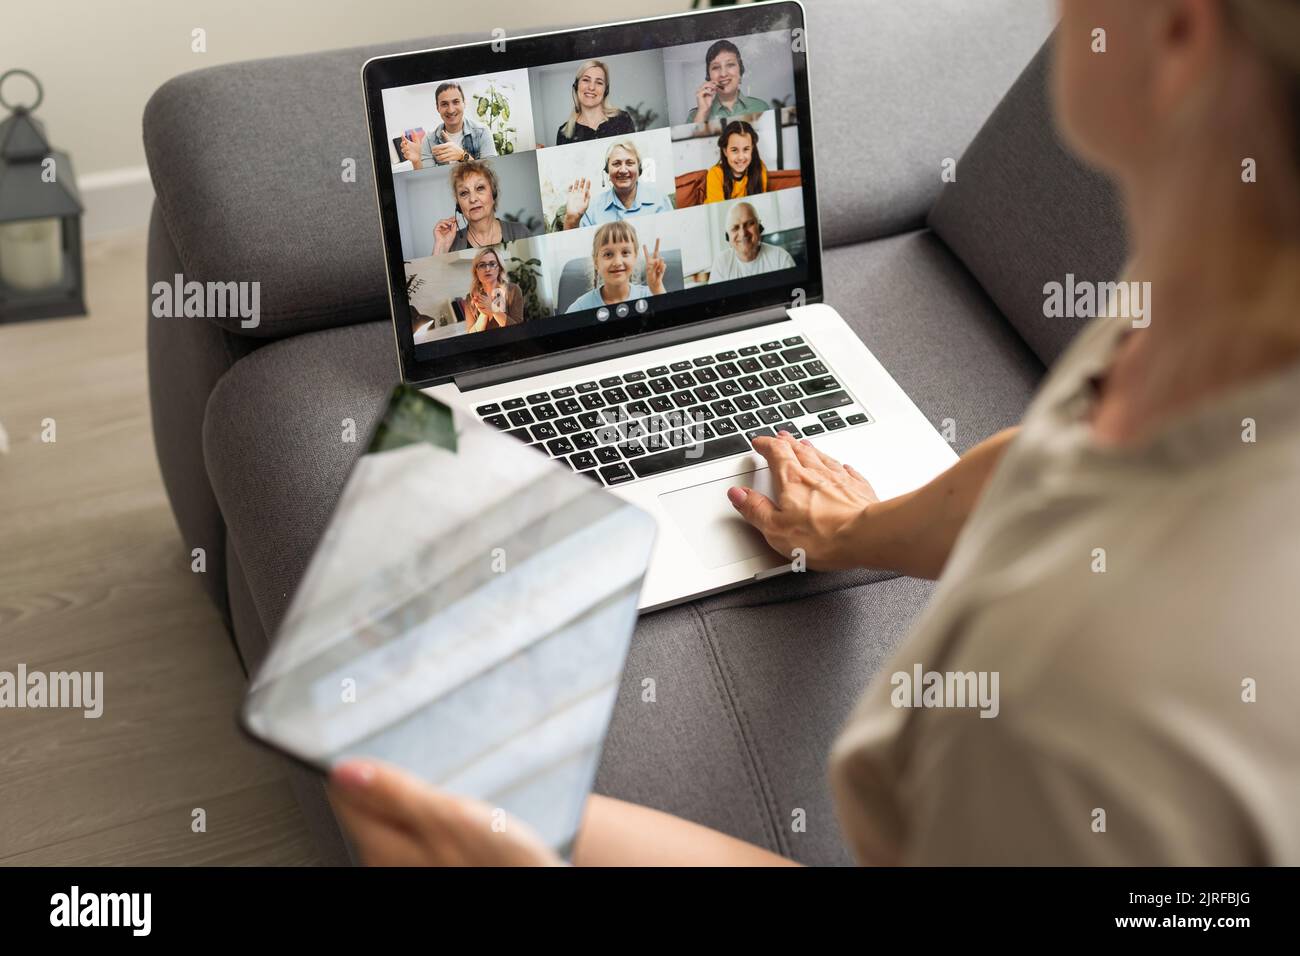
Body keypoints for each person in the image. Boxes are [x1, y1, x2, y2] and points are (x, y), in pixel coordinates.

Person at [331, 0, 1300, 865]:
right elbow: (1062, 463)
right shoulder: (1212, 289)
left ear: (1179, 33)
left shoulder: (1075, 720)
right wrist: (854, 529)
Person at [560, 140, 673, 229]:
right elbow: (580, 248)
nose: (623, 170)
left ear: (639, 170)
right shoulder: (592, 208)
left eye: (629, 163)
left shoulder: (660, 200)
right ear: (607, 171)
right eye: (616, 164)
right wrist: (571, 220)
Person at [431, 160, 531, 254]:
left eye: (480, 188)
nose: (473, 199)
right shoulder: (451, 243)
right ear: (458, 205)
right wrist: (441, 246)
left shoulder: (520, 232)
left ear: (493, 194)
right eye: (464, 193)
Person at [564, 222, 667, 313]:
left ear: (635, 257)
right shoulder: (580, 307)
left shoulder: (651, 294)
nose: (617, 262)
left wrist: (657, 287)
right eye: (608, 254)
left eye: (625, 252)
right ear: (596, 262)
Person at [400, 82, 498, 169]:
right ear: (437, 108)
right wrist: (417, 161)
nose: (451, 110)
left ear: (464, 103)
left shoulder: (482, 132)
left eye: (456, 102)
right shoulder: (429, 140)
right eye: (444, 104)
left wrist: (462, 156)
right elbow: (429, 180)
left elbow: (489, 173)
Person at [687, 39, 771, 123]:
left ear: (740, 70)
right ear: (709, 75)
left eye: (730, 65)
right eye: (716, 67)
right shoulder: (695, 116)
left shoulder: (761, 107)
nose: (723, 74)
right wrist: (702, 113)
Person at [709, 201, 794, 282]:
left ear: (759, 227)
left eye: (749, 224)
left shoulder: (781, 258)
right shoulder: (721, 264)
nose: (743, 233)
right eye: (735, 228)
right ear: (728, 237)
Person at [556, 60, 636, 145]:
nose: (591, 87)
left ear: (606, 90)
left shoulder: (623, 119)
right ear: (576, 86)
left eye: (599, 82)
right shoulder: (563, 132)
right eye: (586, 80)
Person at [705, 120, 769, 203]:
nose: (741, 157)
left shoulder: (759, 168)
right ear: (725, 151)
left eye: (746, 149)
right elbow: (718, 212)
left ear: (752, 149)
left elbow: (761, 203)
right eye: (734, 150)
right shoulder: (715, 174)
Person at [461, 247, 523, 332]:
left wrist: (493, 309)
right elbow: (471, 334)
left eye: (492, 264)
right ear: (476, 271)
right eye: (482, 265)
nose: (487, 269)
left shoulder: (513, 290)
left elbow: (518, 330)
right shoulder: (471, 297)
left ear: (499, 268)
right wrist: (483, 313)